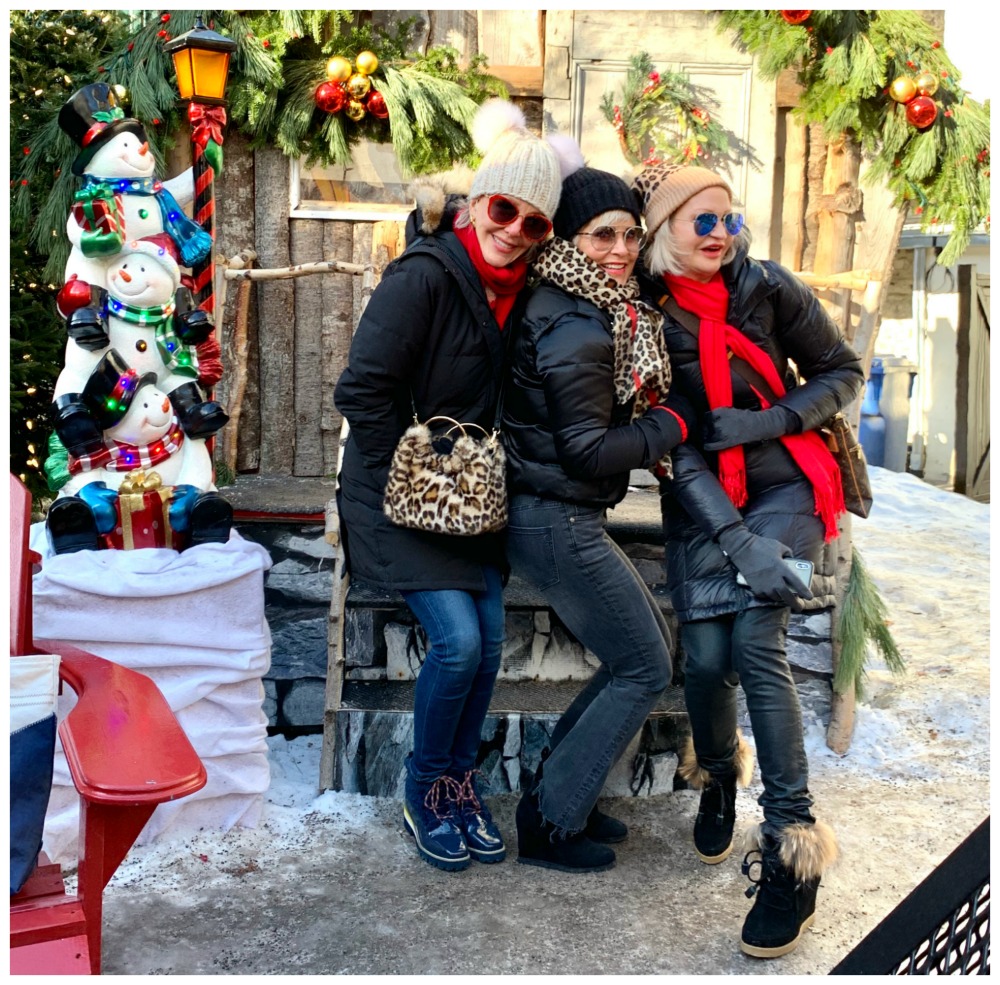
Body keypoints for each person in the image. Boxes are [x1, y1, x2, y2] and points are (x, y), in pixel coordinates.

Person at [631, 163, 865, 956]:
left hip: (792, 484)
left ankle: (794, 845)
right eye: (701, 221)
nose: (719, 234)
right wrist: (730, 535)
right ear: (665, 233)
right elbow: (674, 452)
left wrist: (771, 423)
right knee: (704, 658)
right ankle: (722, 774)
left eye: (728, 219)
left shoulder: (768, 289)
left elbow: (843, 371)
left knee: (757, 642)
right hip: (704, 508)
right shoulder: (646, 322)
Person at [334, 100, 564, 873]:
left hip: (467, 503)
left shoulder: (525, 289)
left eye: (535, 223)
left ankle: (460, 783)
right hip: (393, 494)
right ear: (476, 200)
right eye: (504, 208)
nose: (514, 230)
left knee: (491, 641)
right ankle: (424, 783)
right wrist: (416, 463)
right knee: (459, 642)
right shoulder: (425, 277)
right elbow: (361, 391)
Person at [502, 160, 695, 873]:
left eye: (631, 236)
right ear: (567, 237)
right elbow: (586, 450)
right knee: (645, 662)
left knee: (637, 654)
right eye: (602, 235)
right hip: (554, 518)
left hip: (557, 512)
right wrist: (672, 425)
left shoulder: (586, 304)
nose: (620, 250)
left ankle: (560, 794)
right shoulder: (576, 320)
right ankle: (552, 820)